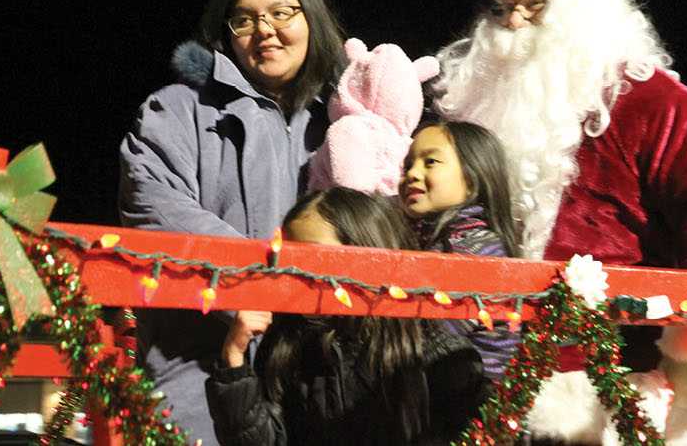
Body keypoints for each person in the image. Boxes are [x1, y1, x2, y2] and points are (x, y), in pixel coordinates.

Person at [431, 0, 687, 445]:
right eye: (504, 8)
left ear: (583, 11)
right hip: (486, 370)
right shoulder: (480, 107)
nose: (512, 23)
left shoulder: (651, 101)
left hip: (612, 377)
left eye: (534, 5)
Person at [119, 0, 347, 444]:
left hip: (319, 372)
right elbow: (151, 205)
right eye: (245, 19)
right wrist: (264, 285)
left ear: (312, 18)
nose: (264, 29)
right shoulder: (176, 110)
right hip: (196, 369)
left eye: (283, 12)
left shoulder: (344, 125)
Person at [205, 187, 487, 446]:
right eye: (289, 261)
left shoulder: (429, 350)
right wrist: (234, 360)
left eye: (314, 259)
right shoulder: (288, 343)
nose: (300, 275)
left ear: (367, 255)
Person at [401, 119, 523, 381]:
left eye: (430, 161)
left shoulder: (473, 250)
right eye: (408, 165)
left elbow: (426, 334)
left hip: (474, 410)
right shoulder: (436, 242)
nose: (412, 173)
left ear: (472, 178)